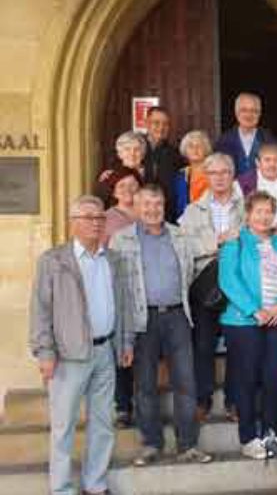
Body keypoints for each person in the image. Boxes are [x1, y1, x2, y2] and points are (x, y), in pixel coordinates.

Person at [30, 194, 133, 495]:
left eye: (100, 217)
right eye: (88, 218)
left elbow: (122, 305)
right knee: (63, 427)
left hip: (105, 352)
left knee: (103, 424)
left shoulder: (113, 259)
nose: (96, 223)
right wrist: (44, 352)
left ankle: (95, 484)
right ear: (73, 223)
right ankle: (61, 489)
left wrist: (125, 341)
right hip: (67, 356)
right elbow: (40, 309)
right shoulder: (54, 260)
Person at [110, 185, 212, 466]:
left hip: (178, 315)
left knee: (186, 382)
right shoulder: (122, 240)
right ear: (137, 206)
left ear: (164, 205)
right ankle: (151, 444)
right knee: (144, 385)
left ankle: (188, 444)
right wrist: (124, 336)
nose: (152, 210)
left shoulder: (180, 235)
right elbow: (118, 288)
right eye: (146, 204)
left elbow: (193, 267)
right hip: (142, 318)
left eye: (157, 204)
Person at [218, 192, 277, 459]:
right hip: (243, 322)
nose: (264, 216)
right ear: (248, 214)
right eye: (258, 211)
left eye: (268, 212)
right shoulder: (235, 242)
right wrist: (255, 310)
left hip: (275, 319)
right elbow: (228, 280)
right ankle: (248, 437)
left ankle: (271, 433)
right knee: (246, 379)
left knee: (273, 378)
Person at [178, 153, 245, 420]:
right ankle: (202, 399)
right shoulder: (193, 210)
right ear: (206, 176)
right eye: (214, 173)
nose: (219, 178)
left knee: (237, 343)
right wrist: (217, 240)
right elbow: (184, 245)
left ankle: (235, 400)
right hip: (205, 285)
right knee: (203, 345)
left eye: (225, 172)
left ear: (233, 175)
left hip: (237, 284)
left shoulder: (245, 207)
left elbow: (254, 236)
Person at [101, 168, 143, 428]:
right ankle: (123, 406)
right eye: (122, 186)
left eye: (132, 185)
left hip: (147, 291)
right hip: (120, 290)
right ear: (114, 191)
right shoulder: (107, 218)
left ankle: (144, 403)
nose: (128, 190)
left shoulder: (148, 212)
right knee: (123, 348)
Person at [215, 92, 277, 177]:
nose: (249, 115)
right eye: (244, 110)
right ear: (236, 113)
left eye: (254, 111)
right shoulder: (223, 142)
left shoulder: (271, 141)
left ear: (260, 114)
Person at [238, 143, 277, 237]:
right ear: (257, 163)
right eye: (267, 160)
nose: (272, 164)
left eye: (276, 161)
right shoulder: (244, 184)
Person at [142, 106, 182, 222]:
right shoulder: (135, 148)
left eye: (166, 124)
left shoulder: (175, 154)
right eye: (156, 123)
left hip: (166, 215)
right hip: (140, 213)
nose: (161, 127)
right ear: (146, 124)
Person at [95, 131, 147, 205]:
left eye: (137, 149)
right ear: (119, 154)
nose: (132, 153)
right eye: (127, 149)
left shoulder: (152, 175)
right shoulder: (109, 176)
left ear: (143, 153)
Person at [173, 130, 213, 218]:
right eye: (191, 146)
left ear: (206, 149)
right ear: (185, 151)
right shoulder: (181, 176)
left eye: (199, 146)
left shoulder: (214, 173)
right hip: (186, 224)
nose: (195, 150)